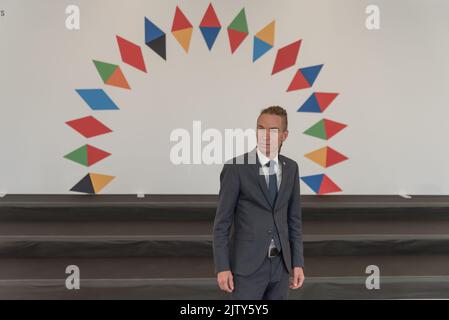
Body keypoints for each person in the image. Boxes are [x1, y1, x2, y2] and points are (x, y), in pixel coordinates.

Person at [213, 105, 305, 300]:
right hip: (247, 268)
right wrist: (222, 267)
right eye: (261, 128)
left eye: (273, 131)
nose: (265, 136)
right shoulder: (236, 168)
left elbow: (294, 220)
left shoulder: (291, 168)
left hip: (281, 268)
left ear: (284, 135)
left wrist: (298, 263)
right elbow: (222, 223)